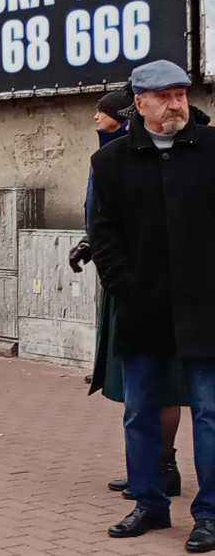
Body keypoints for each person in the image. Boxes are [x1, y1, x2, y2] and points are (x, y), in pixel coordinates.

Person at [90, 60, 215, 551]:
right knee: (140, 410)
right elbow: (104, 237)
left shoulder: (212, 149)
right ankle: (149, 503)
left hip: (207, 306)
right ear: (138, 103)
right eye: (163, 95)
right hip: (142, 306)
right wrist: (127, 286)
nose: (174, 104)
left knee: (208, 410)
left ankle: (209, 513)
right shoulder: (112, 161)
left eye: (181, 93)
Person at [73, 87, 187, 502]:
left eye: (102, 112)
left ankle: (163, 465)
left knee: (164, 381)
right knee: (135, 386)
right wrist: (92, 244)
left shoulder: (151, 151)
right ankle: (145, 466)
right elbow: (105, 214)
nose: (95, 118)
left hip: (155, 287)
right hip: (124, 281)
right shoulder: (110, 154)